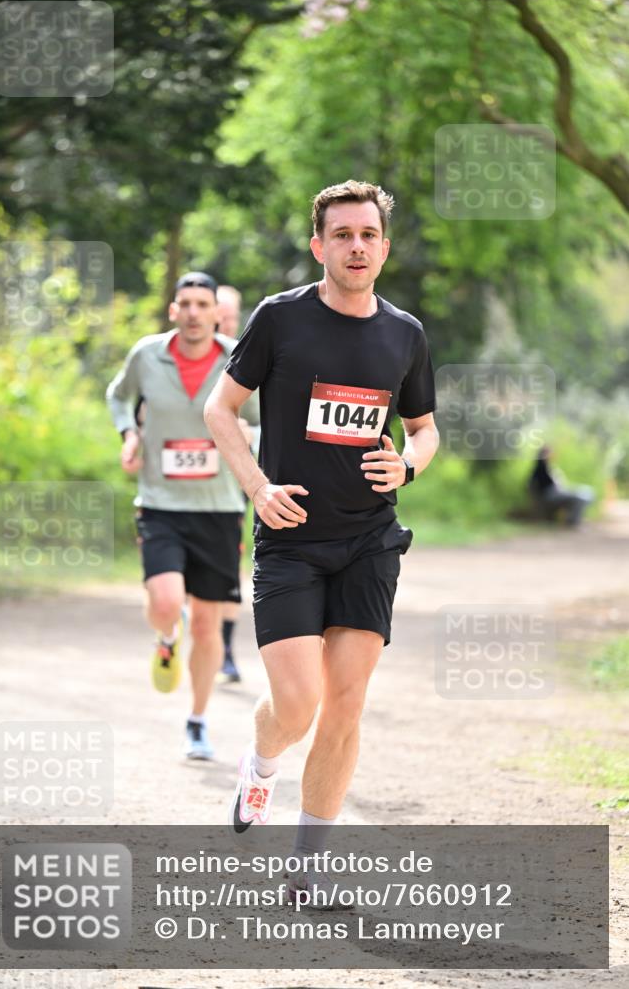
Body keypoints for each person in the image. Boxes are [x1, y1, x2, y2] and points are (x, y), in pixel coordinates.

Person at [204, 180, 439, 898]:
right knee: (298, 705)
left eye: (367, 234)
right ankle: (261, 763)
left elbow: (425, 429)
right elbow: (220, 407)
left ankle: (307, 864)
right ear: (319, 246)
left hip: (369, 540)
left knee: (344, 706)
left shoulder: (404, 333)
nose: (356, 246)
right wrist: (257, 487)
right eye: (341, 235)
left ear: (384, 247)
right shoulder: (280, 320)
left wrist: (405, 460)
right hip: (291, 540)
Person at [106, 271, 259, 760]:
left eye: (202, 304)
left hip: (218, 509)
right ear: (174, 310)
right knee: (168, 602)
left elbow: (261, 421)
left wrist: (240, 438)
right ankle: (165, 637)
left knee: (208, 626)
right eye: (185, 304)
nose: (193, 312)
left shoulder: (240, 357)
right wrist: (129, 433)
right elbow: (117, 395)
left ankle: (197, 720)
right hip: (160, 503)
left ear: (217, 312)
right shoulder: (147, 355)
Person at [216, 285, 245, 682]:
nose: (224, 323)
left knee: (228, 565)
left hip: (231, 482)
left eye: (231, 317)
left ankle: (224, 650)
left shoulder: (248, 353)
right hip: (181, 490)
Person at [528, 446, 595, 527]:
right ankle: (572, 522)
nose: (551, 455)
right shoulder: (541, 468)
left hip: (556, 493)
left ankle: (573, 520)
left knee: (586, 492)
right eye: (548, 453)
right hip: (550, 495)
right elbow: (535, 487)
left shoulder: (548, 468)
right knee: (580, 497)